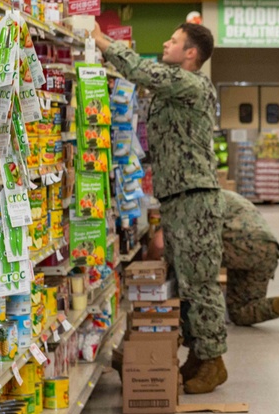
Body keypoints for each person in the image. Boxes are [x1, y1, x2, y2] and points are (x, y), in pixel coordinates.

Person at [92, 22, 229, 395]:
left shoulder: (192, 83)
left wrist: (103, 41)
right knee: (187, 282)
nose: (165, 43)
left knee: (200, 283)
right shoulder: (174, 88)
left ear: (190, 54)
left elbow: (142, 71)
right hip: (178, 197)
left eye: (173, 40)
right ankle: (201, 355)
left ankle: (214, 362)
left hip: (195, 198)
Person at [179, 189, 279, 379]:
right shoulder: (227, 196)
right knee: (240, 311)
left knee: (196, 263)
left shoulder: (196, 202)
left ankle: (202, 340)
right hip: (268, 249)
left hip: (240, 245)